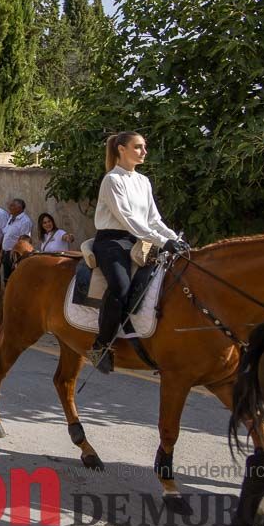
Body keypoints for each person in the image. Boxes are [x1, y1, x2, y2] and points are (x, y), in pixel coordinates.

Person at [89, 131, 186, 374]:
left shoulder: (143, 181)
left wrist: (174, 239)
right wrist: (162, 241)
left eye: (144, 147)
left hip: (139, 240)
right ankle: (101, 346)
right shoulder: (112, 180)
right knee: (120, 287)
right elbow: (128, 218)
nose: (144, 152)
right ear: (121, 149)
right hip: (112, 242)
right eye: (138, 147)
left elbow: (154, 219)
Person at [0, 198, 32, 281]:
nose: (9, 207)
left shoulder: (25, 221)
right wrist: (1, 252)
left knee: (15, 279)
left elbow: (24, 241)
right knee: (7, 279)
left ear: (19, 208)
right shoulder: (11, 218)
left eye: (12, 205)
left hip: (15, 256)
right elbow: (6, 235)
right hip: (6, 253)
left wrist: (15, 258)